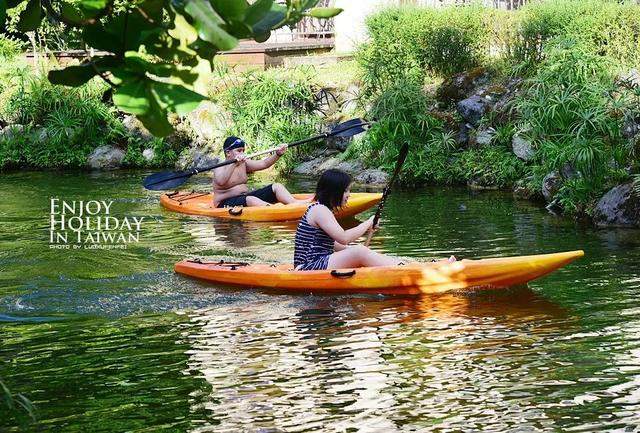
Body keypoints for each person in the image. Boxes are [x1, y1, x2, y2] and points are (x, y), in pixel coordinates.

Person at [294, 169, 407, 271]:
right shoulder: (320, 210)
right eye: (346, 191)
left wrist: (366, 244)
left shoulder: (321, 209)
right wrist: (368, 222)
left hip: (311, 264)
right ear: (334, 191)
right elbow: (344, 238)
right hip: (308, 267)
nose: (349, 195)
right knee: (359, 251)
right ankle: (403, 269)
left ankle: (401, 265)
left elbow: (338, 246)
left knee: (360, 251)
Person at [213, 136, 309, 208]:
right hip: (223, 203)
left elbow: (264, 164)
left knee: (276, 186)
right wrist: (234, 164)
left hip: (244, 198)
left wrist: (278, 154)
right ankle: (275, 210)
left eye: (243, 150)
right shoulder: (220, 167)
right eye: (239, 151)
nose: (242, 153)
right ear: (228, 153)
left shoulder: (243, 163)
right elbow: (221, 181)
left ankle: (294, 203)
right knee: (250, 199)